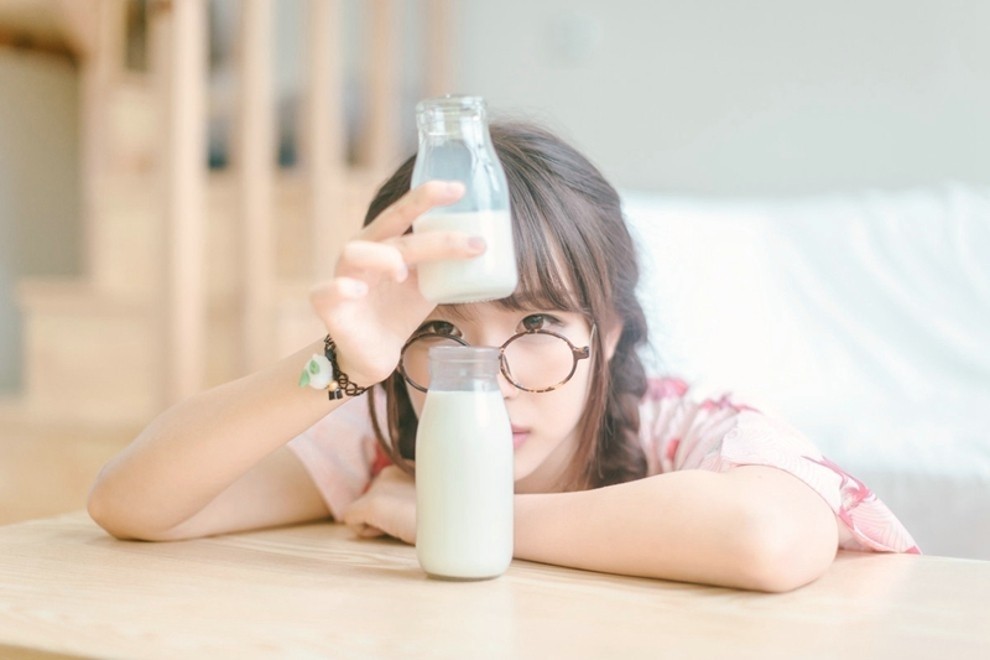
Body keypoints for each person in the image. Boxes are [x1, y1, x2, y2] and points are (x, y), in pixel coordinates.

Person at [87, 121, 919, 592]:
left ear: (612, 333)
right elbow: (132, 502)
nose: (486, 383)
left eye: (538, 329)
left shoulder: (678, 425)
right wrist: (340, 363)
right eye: (442, 335)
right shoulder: (386, 427)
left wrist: (450, 517)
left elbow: (767, 540)